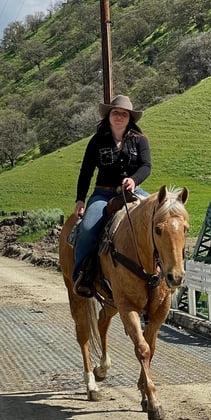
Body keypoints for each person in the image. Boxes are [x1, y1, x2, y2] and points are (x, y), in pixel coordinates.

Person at [72, 94, 151, 297]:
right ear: (108, 116)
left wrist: (134, 180)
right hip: (103, 194)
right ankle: (83, 275)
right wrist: (80, 199)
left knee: (159, 217)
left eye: (124, 114)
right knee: (88, 229)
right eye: (115, 113)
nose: (119, 117)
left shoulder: (140, 140)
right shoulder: (97, 141)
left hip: (133, 192)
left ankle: (160, 273)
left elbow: (146, 166)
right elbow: (86, 172)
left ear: (129, 118)